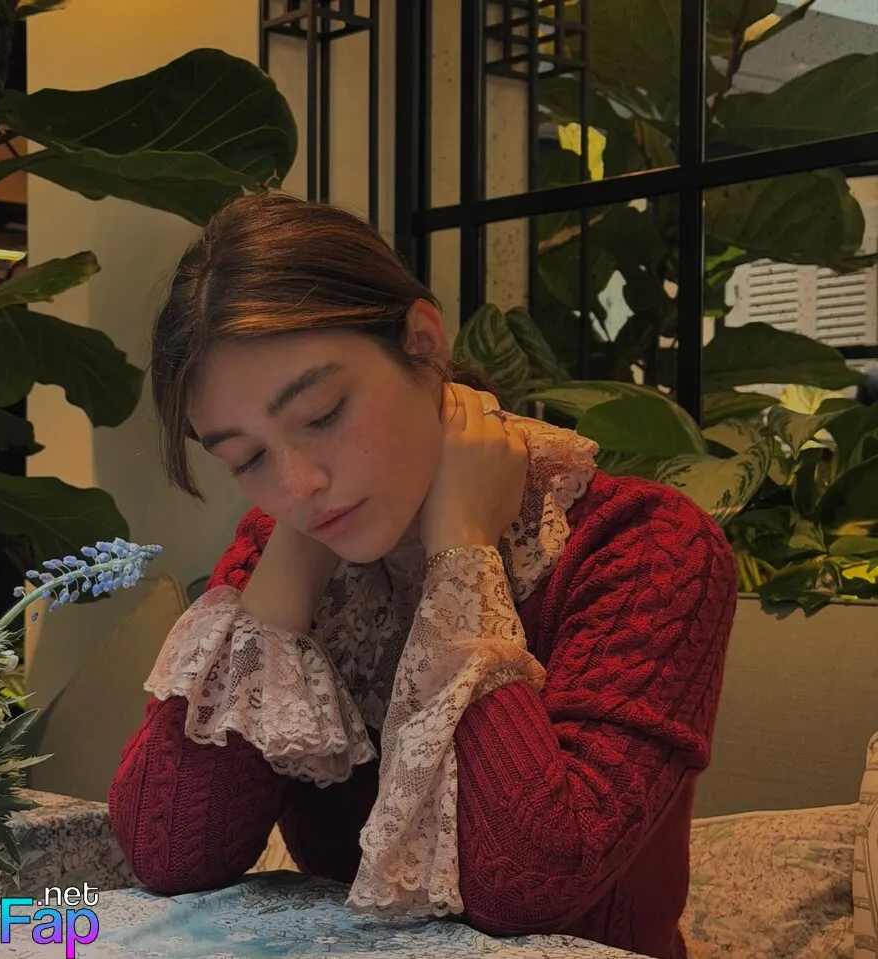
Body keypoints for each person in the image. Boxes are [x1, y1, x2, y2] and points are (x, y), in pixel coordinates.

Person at [109, 192, 737, 959]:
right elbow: (169, 851)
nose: (298, 482)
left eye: (323, 412)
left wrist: (462, 557)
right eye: (248, 457)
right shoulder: (284, 541)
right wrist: (296, 559)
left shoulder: (644, 547)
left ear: (423, 341)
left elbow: (529, 885)